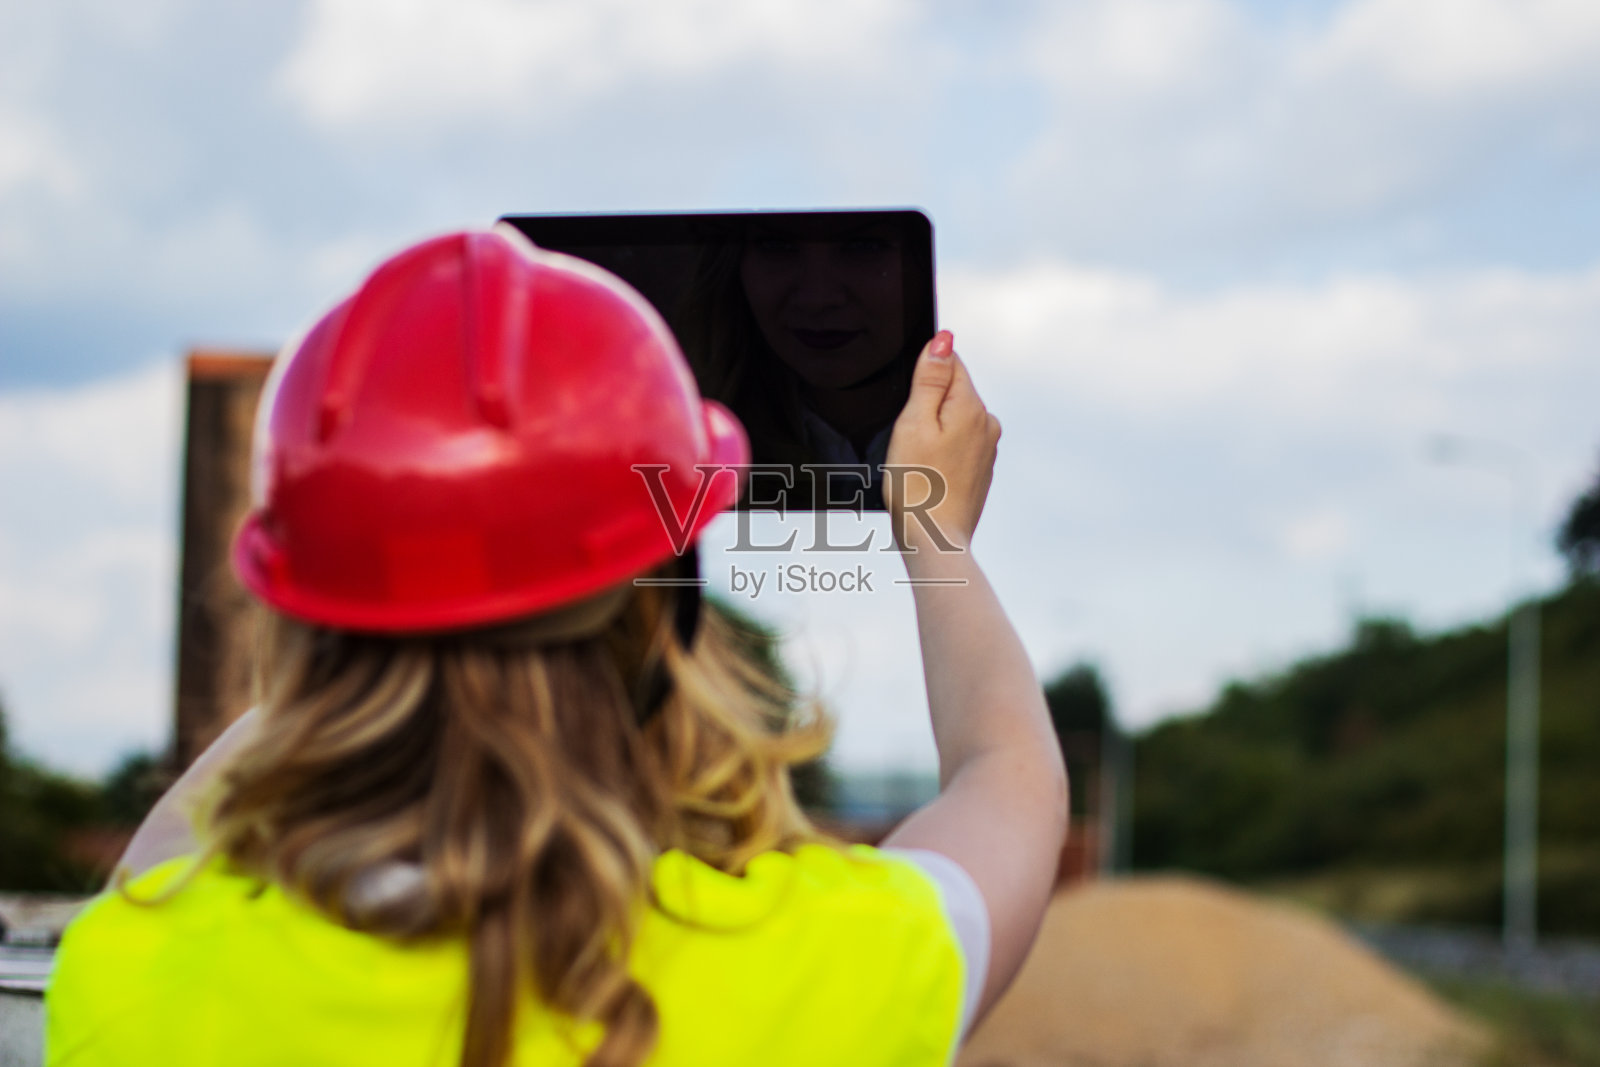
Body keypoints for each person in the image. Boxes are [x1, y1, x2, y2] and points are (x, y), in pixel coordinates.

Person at [46, 227, 1066, 1067]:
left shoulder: (132, 969)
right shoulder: (818, 960)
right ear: (657, 616)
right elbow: (1008, 774)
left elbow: (163, 856)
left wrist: (383, 567)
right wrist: (933, 534)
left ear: (306, 619)